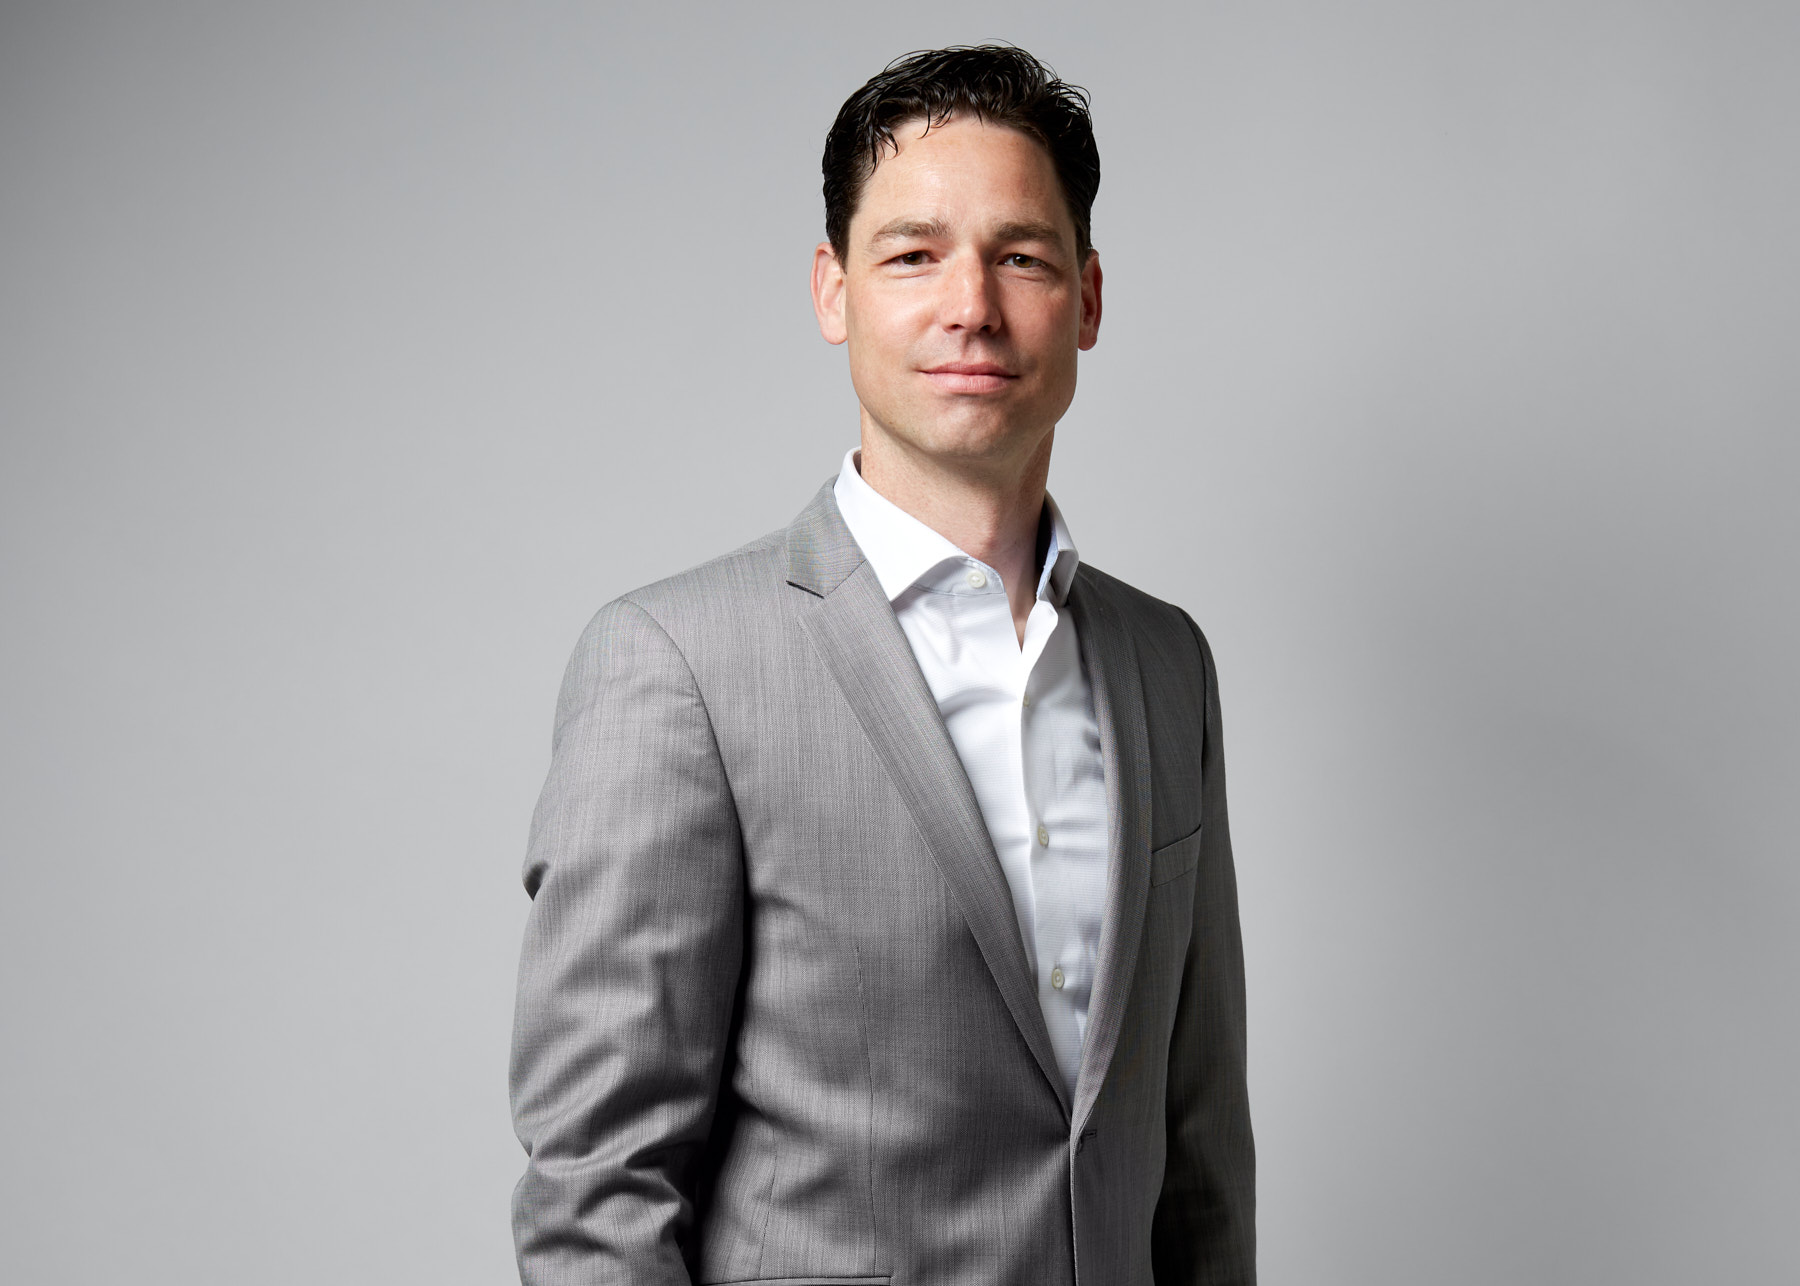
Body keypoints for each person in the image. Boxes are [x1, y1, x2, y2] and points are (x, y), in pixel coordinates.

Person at [509, 44, 1255, 1286]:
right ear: (834, 290)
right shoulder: (677, 668)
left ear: (1087, 299)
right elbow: (596, 1192)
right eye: (913, 255)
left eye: (1022, 256)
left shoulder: (1165, 664)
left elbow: (1199, 1154)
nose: (972, 305)